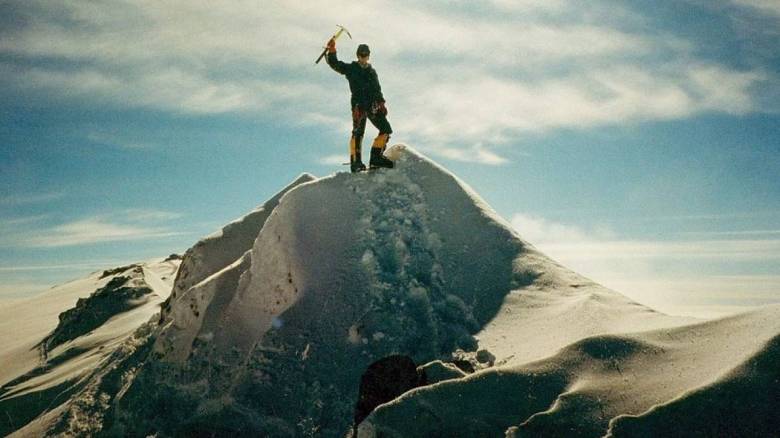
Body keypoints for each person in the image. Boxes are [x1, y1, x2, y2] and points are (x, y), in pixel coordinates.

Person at [326, 39, 394, 173]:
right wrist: (332, 51)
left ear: (368, 56)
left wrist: (381, 103)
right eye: (361, 55)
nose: (363, 57)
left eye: (365, 55)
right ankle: (356, 162)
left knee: (386, 129)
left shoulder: (372, 72)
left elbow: (377, 89)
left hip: (373, 105)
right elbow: (335, 64)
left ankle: (376, 158)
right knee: (358, 131)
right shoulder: (351, 68)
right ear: (357, 55)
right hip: (359, 105)